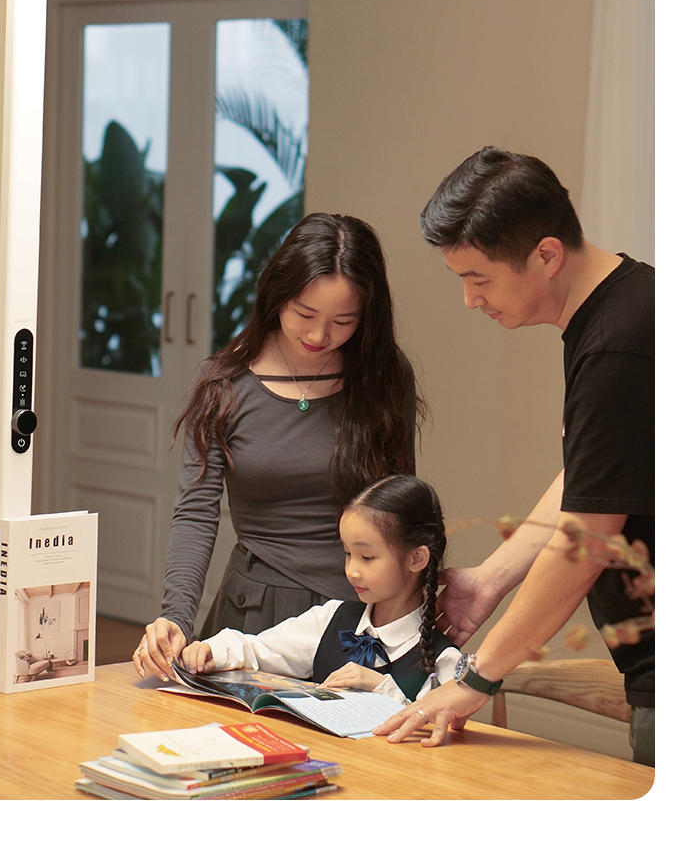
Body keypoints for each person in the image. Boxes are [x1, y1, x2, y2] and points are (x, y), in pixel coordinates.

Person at [374, 147, 654, 765]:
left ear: (546, 255)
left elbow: (586, 542)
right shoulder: (628, 306)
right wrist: (491, 580)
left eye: (479, 279)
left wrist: (476, 679)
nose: (470, 300)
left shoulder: (619, 345)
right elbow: (594, 479)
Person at [134, 212, 427, 682]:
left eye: (343, 321)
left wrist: (410, 611)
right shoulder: (224, 382)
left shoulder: (385, 377)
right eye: (304, 315)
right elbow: (196, 511)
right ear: (276, 295)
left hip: (356, 613)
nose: (318, 336)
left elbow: (399, 510)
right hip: (255, 611)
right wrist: (177, 616)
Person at [178, 476, 460, 703]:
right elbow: (258, 650)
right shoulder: (331, 618)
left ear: (417, 559)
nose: (352, 570)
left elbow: (439, 738)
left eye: (367, 557)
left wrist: (383, 689)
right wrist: (212, 650)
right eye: (347, 553)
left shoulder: (444, 661)